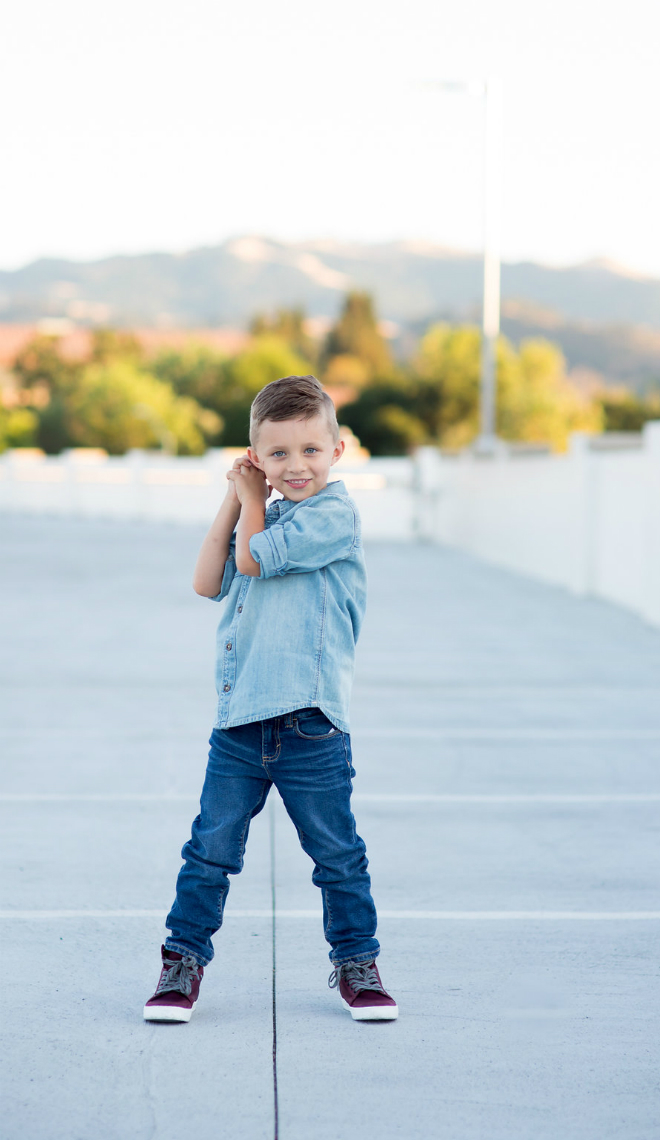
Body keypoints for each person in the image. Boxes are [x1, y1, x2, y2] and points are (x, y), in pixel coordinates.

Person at [143, 374, 397, 1023]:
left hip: (311, 726)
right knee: (210, 852)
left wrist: (252, 501)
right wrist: (236, 497)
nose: (297, 466)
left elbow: (254, 561)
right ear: (256, 458)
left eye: (311, 450)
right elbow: (209, 580)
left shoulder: (335, 516)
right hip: (240, 728)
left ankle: (357, 963)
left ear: (337, 450)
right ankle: (182, 963)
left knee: (337, 856)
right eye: (277, 454)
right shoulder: (262, 510)